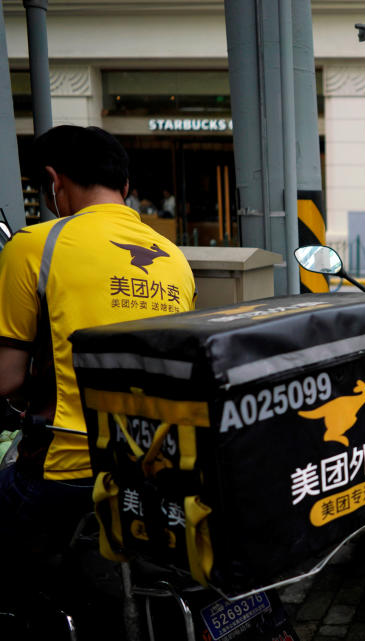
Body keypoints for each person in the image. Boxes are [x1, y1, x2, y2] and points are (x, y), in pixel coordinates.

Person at [0, 126, 196, 620]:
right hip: (152, 467)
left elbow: (6, 380)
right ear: (124, 185)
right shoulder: (173, 257)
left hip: (67, 470)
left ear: (53, 181)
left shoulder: (34, 245)